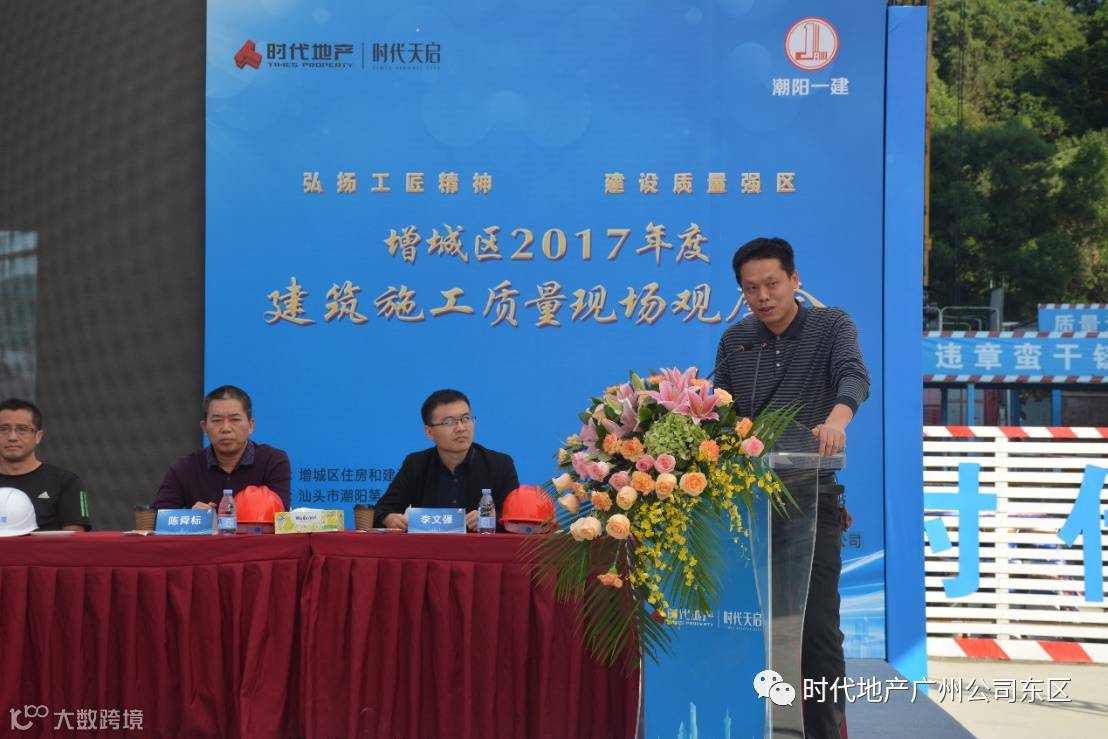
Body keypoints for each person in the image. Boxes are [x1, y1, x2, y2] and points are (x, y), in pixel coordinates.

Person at [714, 237, 870, 739]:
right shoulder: (736, 341)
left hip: (811, 496)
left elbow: (853, 376)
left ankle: (823, 731)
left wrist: (836, 422)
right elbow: (720, 411)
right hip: (748, 503)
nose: (762, 296)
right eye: (750, 288)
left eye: (772, 284)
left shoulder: (832, 325)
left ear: (795, 280)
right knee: (748, 626)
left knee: (816, 629)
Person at [376, 389, 519, 532]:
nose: (461, 428)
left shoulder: (500, 464)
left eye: (466, 418)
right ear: (429, 432)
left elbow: (517, 518)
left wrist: (491, 519)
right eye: (449, 422)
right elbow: (382, 510)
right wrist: (390, 518)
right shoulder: (415, 464)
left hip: (482, 546)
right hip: (430, 546)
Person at [152, 385, 291, 510]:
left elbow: (280, 516)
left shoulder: (272, 461)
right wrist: (192, 518)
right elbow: (157, 518)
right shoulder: (185, 468)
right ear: (204, 427)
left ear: (251, 425)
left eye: (235, 419)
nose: (226, 428)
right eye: (217, 420)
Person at [0, 398, 91, 531]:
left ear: (38, 436)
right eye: (3, 429)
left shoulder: (65, 482)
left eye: (22, 429)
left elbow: (75, 537)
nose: (12, 437)